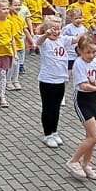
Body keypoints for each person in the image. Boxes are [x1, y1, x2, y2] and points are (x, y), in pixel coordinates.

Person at [66, 35, 96, 180]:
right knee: (95, 137)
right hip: (82, 100)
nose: (91, 55)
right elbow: (83, 86)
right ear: (80, 51)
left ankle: (86, 164)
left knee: (90, 136)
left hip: (94, 100)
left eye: (94, 52)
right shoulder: (78, 64)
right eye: (88, 52)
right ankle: (73, 160)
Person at [35, 13, 74, 148]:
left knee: (56, 108)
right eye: (53, 29)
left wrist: (82, 28)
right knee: (48, 108)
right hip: (47, 81)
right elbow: (37, 42)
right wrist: (46, 35)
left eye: (58, 29)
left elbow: (77, 39)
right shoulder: (44, 41)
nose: (56, 32)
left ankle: (54, 131)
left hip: (60, 80)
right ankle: (47, 135)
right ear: (47, 29)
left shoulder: (62, 39)